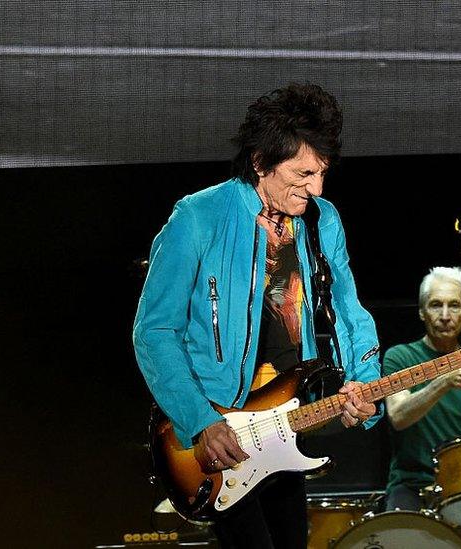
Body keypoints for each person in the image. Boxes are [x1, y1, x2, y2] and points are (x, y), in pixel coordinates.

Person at [133, 82, 381, 549]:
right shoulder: (197, 216)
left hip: (287, 421)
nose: (317, 187)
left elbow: (349, 309)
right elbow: (154, 331)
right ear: (261, 162)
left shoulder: (321, 219)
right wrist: (199, 420)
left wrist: (363, 381)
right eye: (303, 173)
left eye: (323, 172)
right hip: (219, 427)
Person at [382, 266, 461, 512]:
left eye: (455, 305)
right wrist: (443, 381)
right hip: (412, 485)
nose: (446, 315)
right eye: (436, 305)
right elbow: (398, 417)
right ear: (421, 312)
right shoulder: (399, 358)